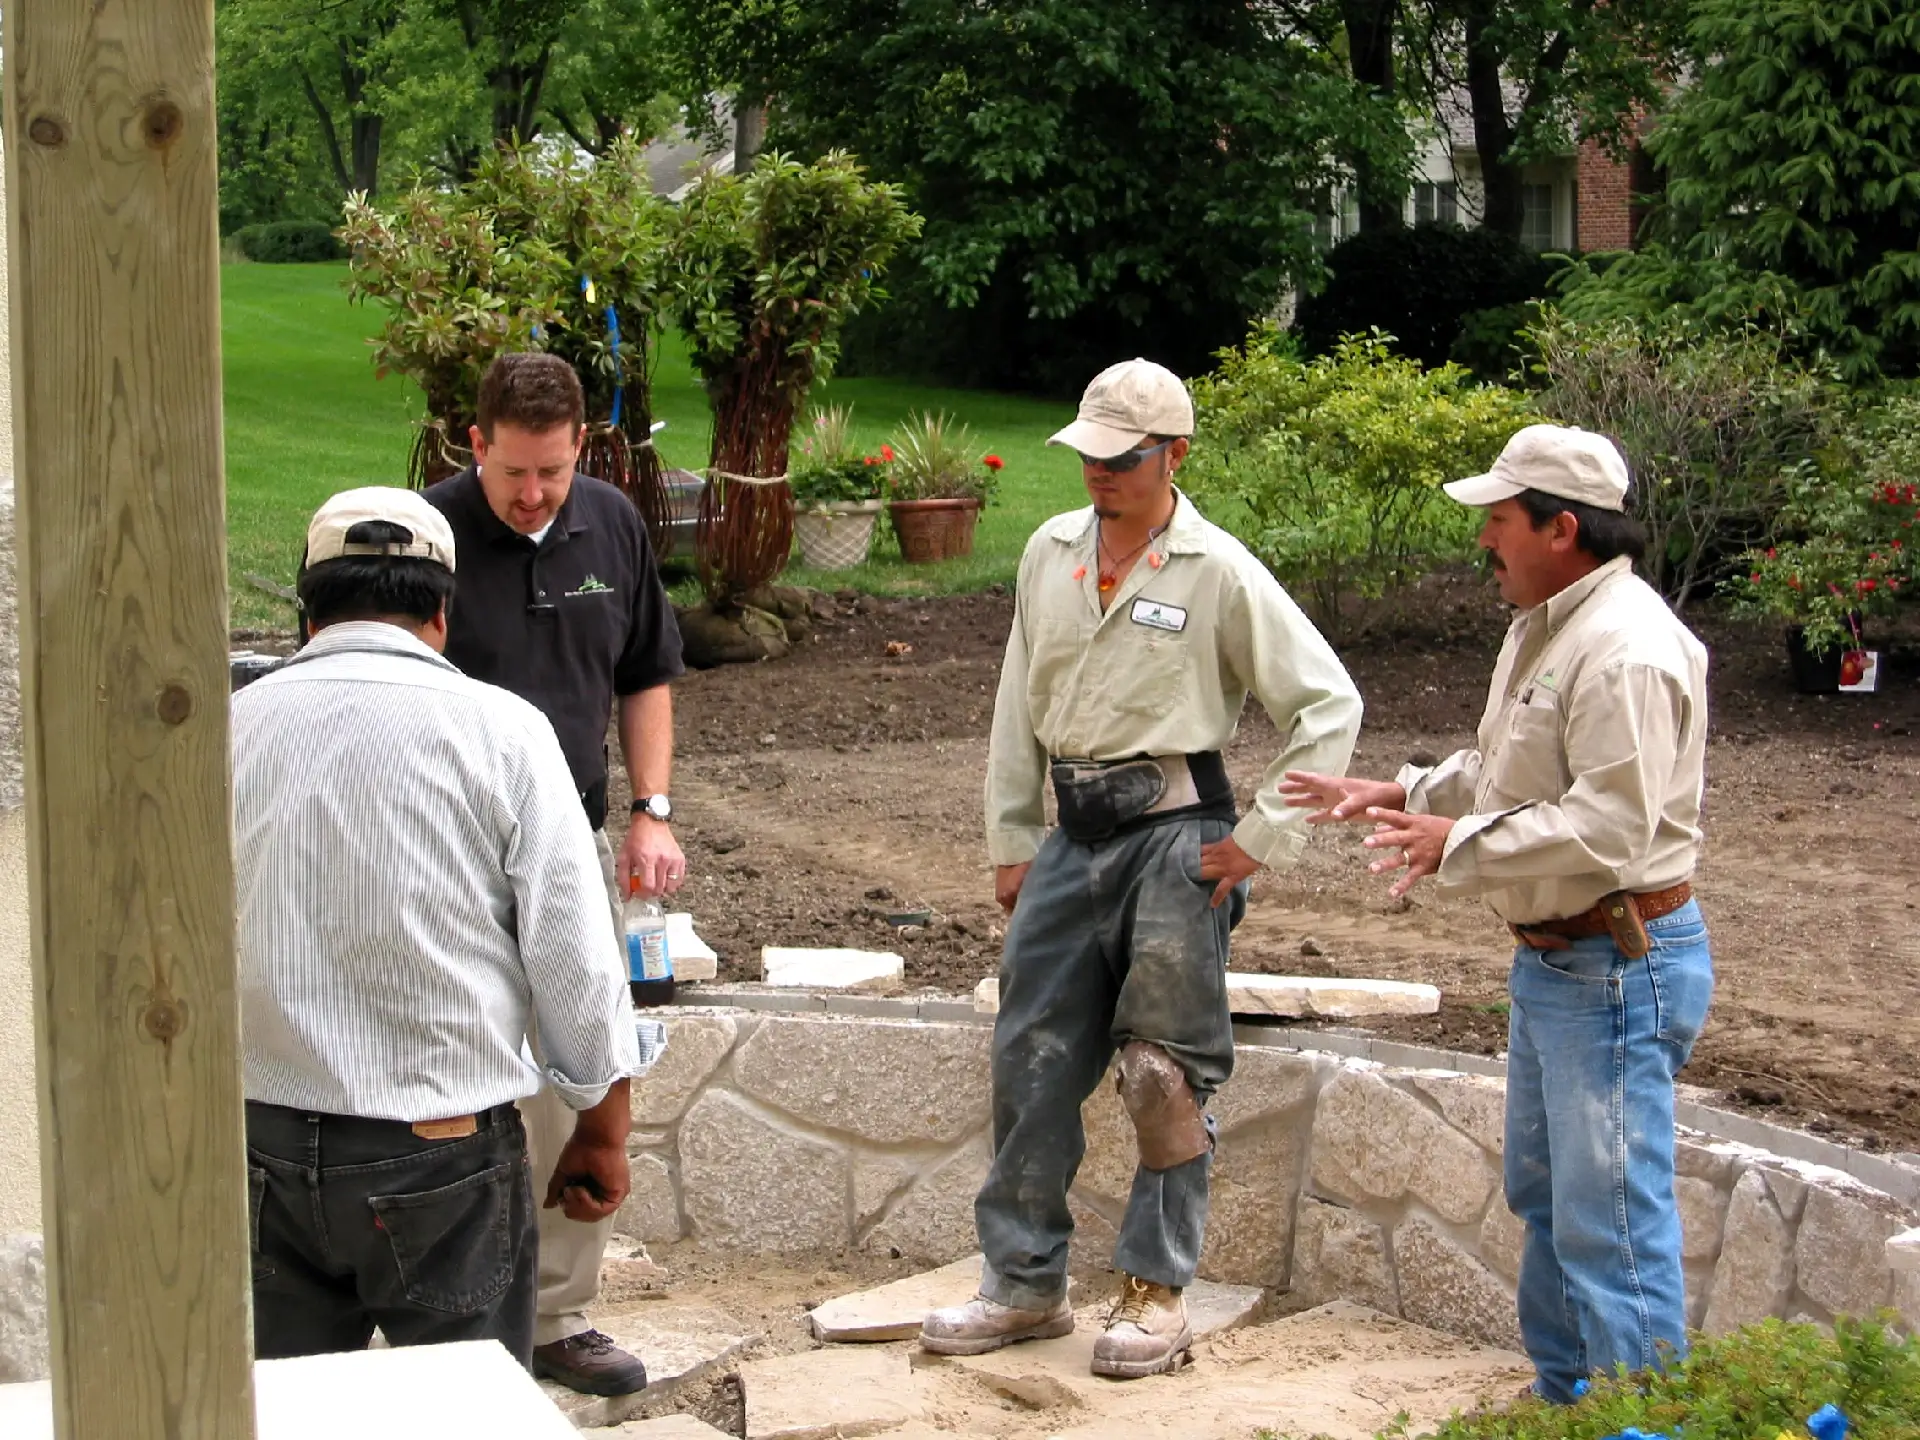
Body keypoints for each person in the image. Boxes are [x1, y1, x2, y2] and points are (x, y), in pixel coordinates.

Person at [920, 358, 1363, 1379]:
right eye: (1091, 454)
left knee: (1163, 1075)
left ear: (1175, 456)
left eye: (1123, 458)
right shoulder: (1050, 552)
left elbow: (1327, 705)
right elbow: (1017, 703)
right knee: (1030, 1061)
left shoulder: (1219, 570)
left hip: (1176, 839)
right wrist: (1012, 839)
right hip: (1069, 837)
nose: (1100, 472)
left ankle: (1157, 1295)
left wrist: (1260, 839)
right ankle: (1022, 1285)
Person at [1281, 423, 1714, 1403]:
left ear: (1563, 528)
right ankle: (1567, 1400)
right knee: (1549, 1196)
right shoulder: (1548, 626)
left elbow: (1609, 826)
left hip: (1616, 964)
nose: (1484, 539)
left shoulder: (1628, 650)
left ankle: (1642, 1420)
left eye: (1501, 519)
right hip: (1563, 963)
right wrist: (1405, 793)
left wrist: (1457, 844)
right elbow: (1507, 769)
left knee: (1611, 1221)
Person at [233, 487, 640, 1365]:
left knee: (287, 1413)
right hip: (442, 1154)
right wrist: (601, 1127)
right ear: (443, 615)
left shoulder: (226, 730)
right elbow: (574, 958)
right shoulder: (506, 733)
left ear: (310, 613)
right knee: (465, 1409)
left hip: (258, 1143)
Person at [424, 353, 685, 1396]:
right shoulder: (426, 537)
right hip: (447, 849)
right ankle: (444, 1311)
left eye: (553, 472)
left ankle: (558, 1316)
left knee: (588, 1057)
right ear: (475, 444)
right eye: (513, 472)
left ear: (583, 446)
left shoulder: (611, 524)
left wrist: (652, 810)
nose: (534, 495)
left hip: (571, 840)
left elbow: (646, 673)